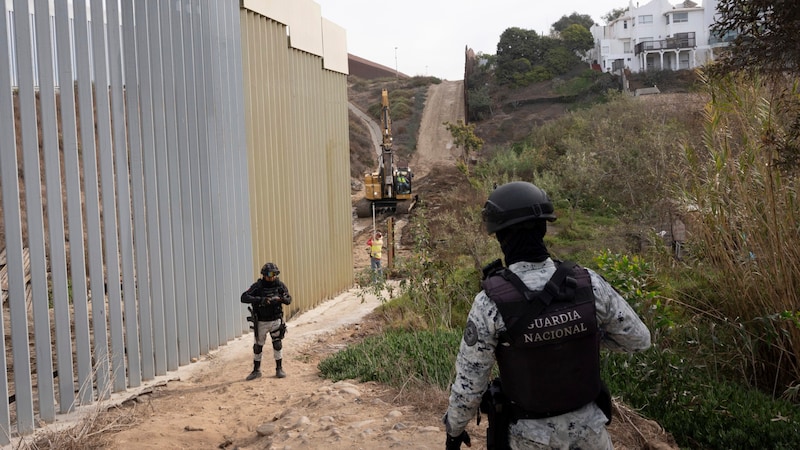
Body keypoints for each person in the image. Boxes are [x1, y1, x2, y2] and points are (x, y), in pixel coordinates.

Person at [443, 181, 651, 450]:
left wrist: (454, 430)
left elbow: (470, 384)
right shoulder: (588, 283)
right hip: (592, 435)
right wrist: (587, 333)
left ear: (500, 236)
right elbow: (639, 340)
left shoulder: (489, 303)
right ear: (543, 228)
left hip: (529, 440)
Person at [241, 262, 292, 380]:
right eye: (269, 274)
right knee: (258, 346)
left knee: (277, 343)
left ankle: (279, 369)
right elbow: (244, 297)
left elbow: (289, 299)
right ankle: (256, 370)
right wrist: (261, 300)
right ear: (264, 274)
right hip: (261, 322)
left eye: (274, 274)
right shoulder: (257, 287)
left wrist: (281, 299)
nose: (272, 277)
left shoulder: (280, 286)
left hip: (275, 320)